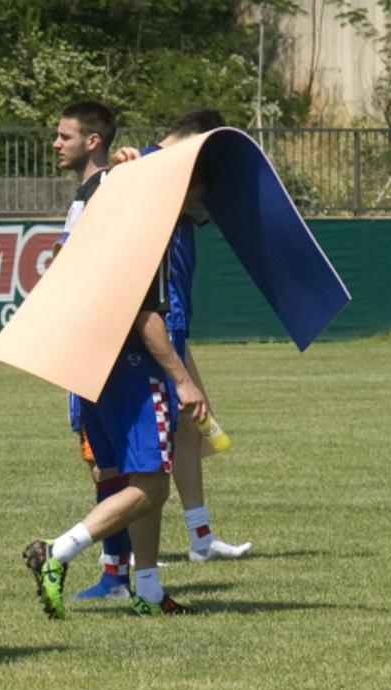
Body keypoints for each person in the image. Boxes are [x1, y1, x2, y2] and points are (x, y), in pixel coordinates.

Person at [25, 154, 214, 617]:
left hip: (96, 370)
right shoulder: (141, 233)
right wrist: (184, 381)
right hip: (134, 372)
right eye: (195, 187)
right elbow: (145, 315)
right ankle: (59, 551)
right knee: (151, 487)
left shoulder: (98, 226)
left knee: (134, 478)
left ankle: (147, 588)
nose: (201, 197)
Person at [133, 108, 252, 564]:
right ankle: (131, 552)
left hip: (177, 315)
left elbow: (214, 207)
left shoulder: (178, 176)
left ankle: (200, 536)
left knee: (186, 429)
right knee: (153, 436)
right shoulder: (145, 169)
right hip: (159, 316)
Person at [47, 101, 137, 601]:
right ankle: (114, 572)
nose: (56, 143)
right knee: (99, 460)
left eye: (65, 136)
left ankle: (118, 576)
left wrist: (130, 166)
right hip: (79, 343)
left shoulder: (110, 186)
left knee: (110, 461)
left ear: (93, 141)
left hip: (101, 349)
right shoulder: (84, 195)